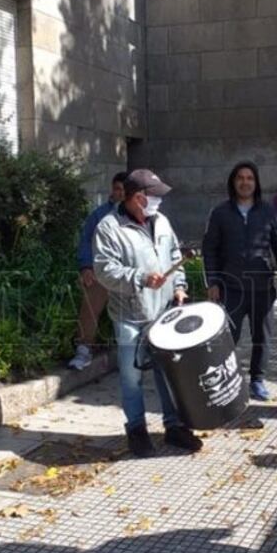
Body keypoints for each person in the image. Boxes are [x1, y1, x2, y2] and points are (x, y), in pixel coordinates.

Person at [93, 169, 204, 458]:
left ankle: (175, 427)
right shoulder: (109, 227)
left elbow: (175, 257)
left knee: (169, 374)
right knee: (132, 378)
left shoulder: (162, 222)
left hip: (163, 312)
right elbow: (105, 270)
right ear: (139, 198)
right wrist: (140, 278)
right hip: (130, 315)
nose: (159, 202)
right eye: (155, 196)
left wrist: (179, 287)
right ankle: (137, 431)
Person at [202, 161, 277, 402]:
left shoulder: (268, 212)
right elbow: (210, 249)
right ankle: (228, 381)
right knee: (227, 338)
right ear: (233, 183)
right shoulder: (220, 213)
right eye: (240, 178)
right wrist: (212, 281)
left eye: (250, 178)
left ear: (256, 183)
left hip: (262, 287)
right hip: (230, 288)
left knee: (261, 337)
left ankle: (257, 380)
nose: (245, 182)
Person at [70, 172, 127, 370]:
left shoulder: (138, 215)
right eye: (117, 189)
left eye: (124, 189)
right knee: (90, 306)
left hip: (128, 272)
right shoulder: (100, 215)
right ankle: (84, 350)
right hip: (101, 271)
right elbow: (86, 241)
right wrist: (86, 267)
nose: (120, 193)